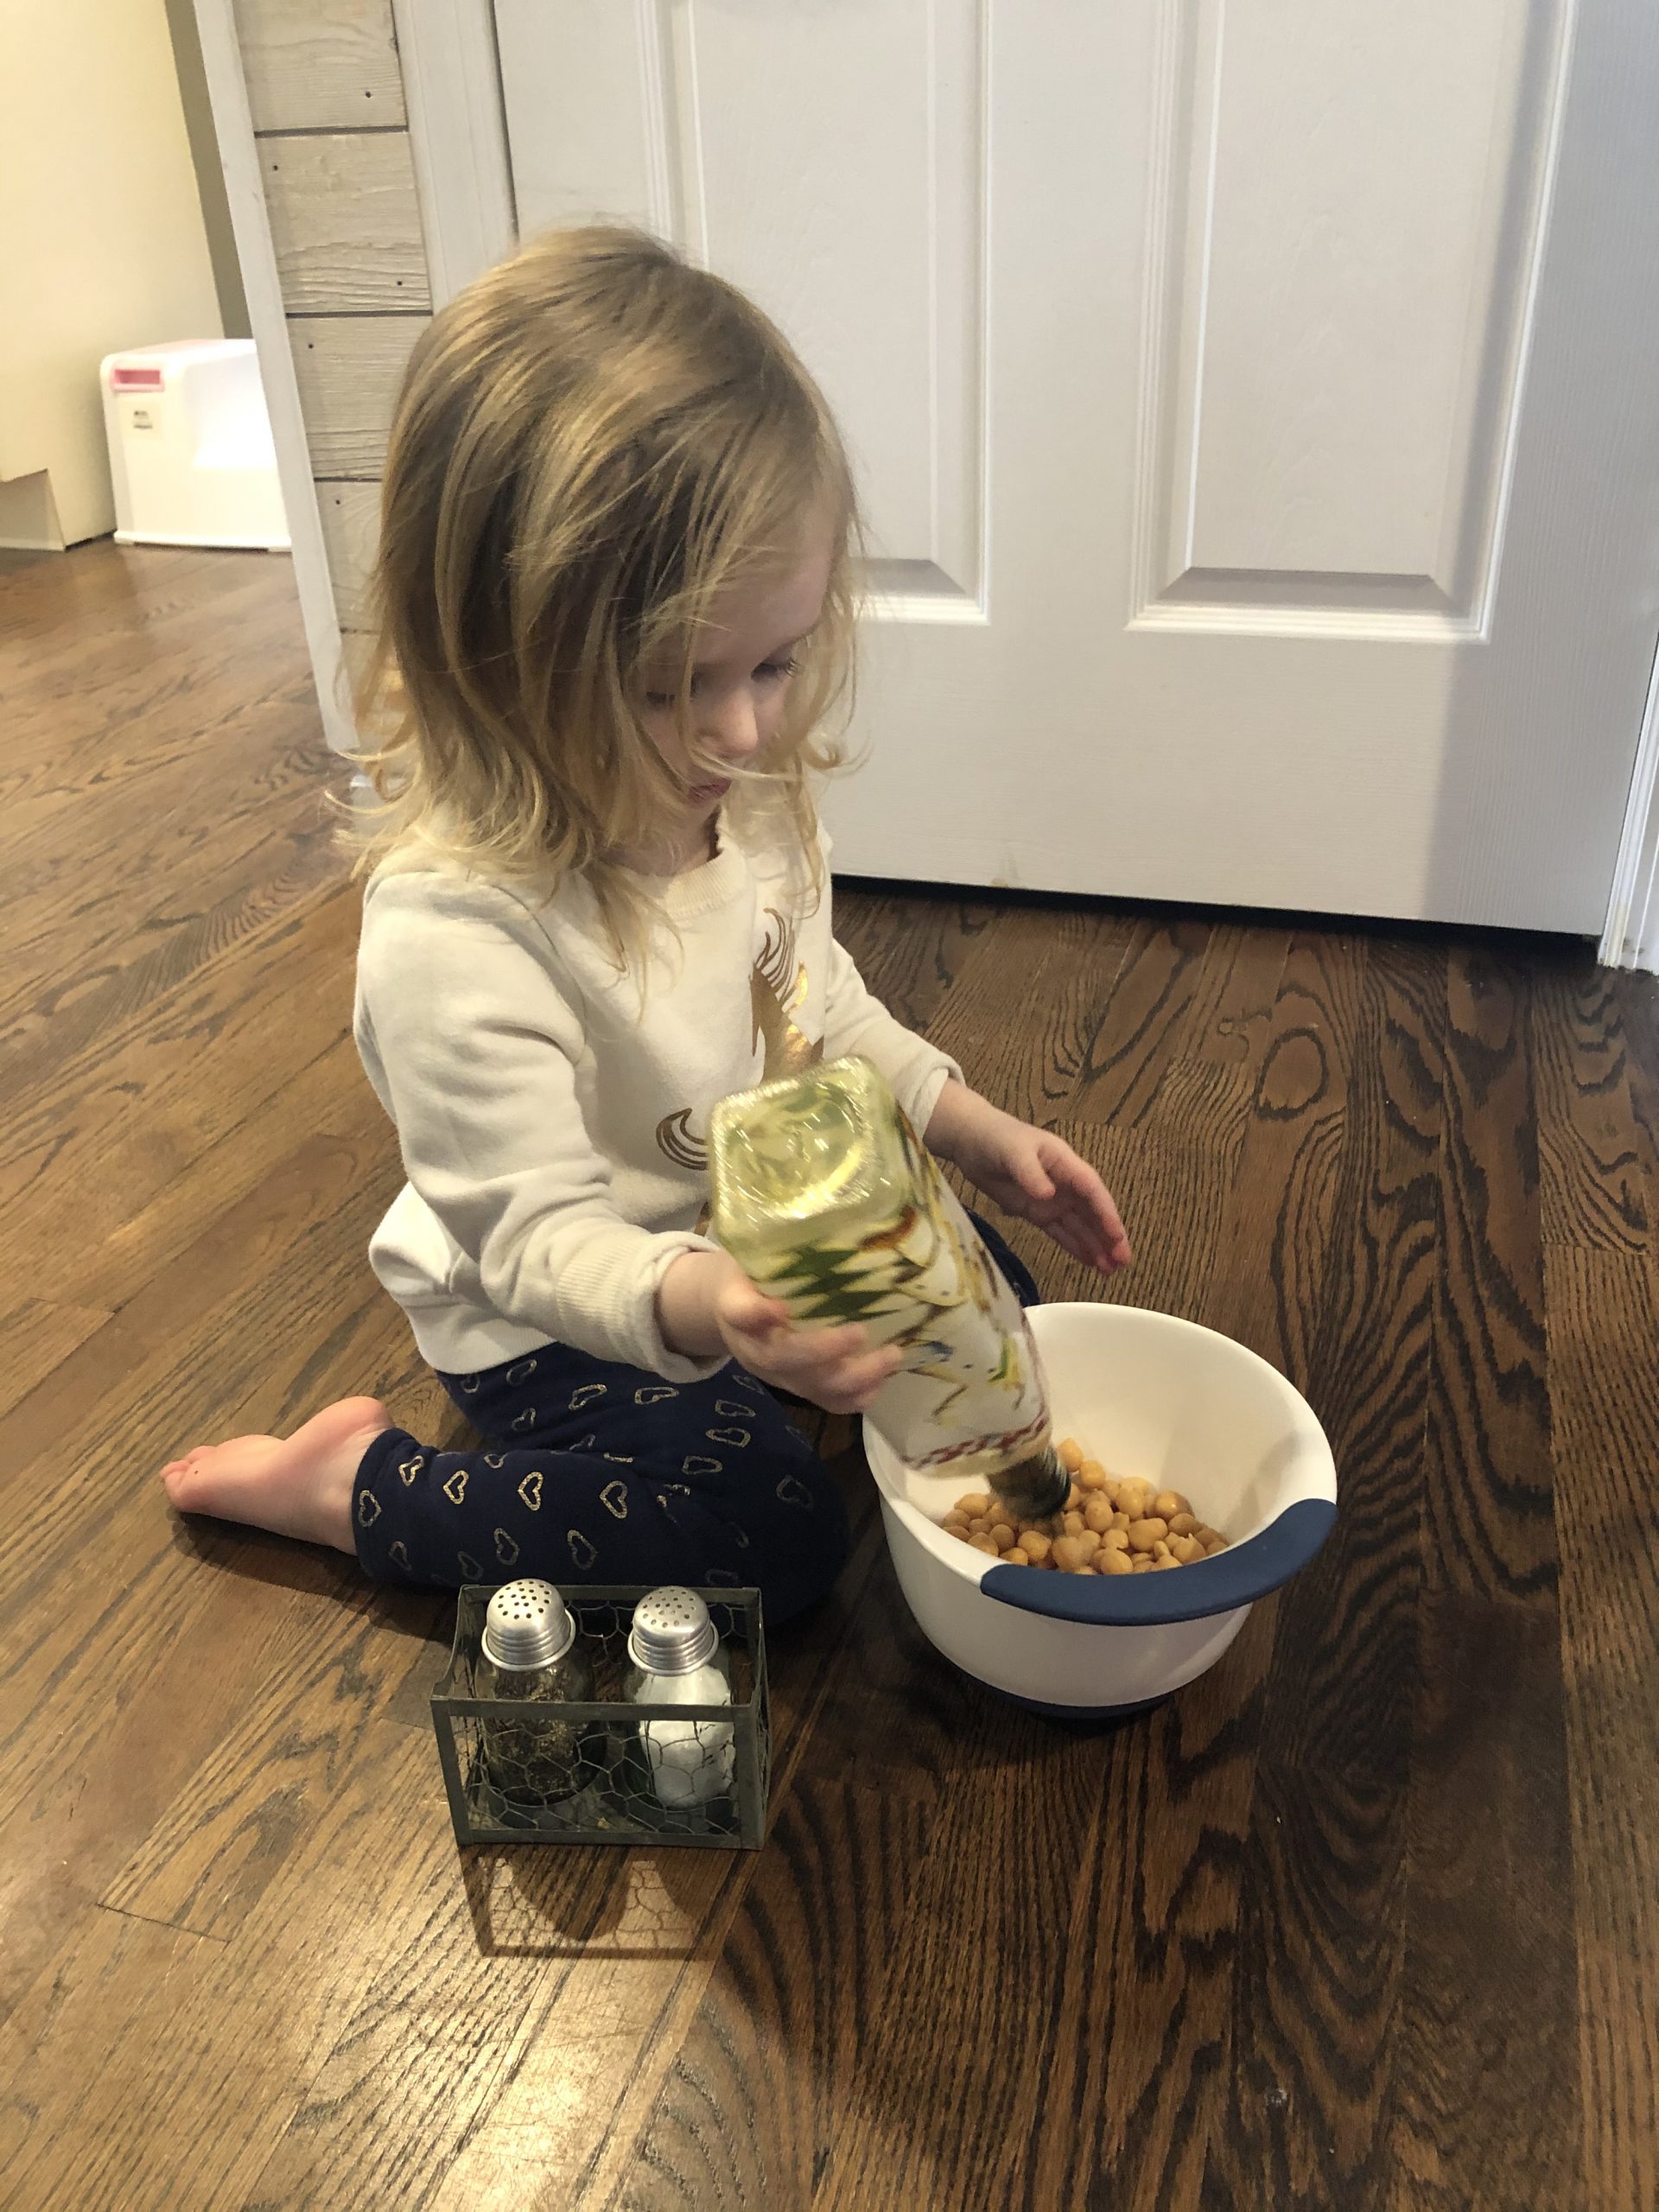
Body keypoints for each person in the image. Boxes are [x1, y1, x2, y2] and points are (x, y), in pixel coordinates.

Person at [162, 227, 1131, 1624]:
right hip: (559, 1308)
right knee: (769, 1544)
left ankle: (792, 1371)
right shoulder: (460, 935)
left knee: (1005, 1310)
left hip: (740, 1240)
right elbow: (538, 1241)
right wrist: (709, 1310)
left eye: (778, 662)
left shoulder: (741, 792)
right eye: (678, 685)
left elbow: (814, 1011)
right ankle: (354, 1488)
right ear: (497, 662)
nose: (744, 729)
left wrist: (965, 1125)